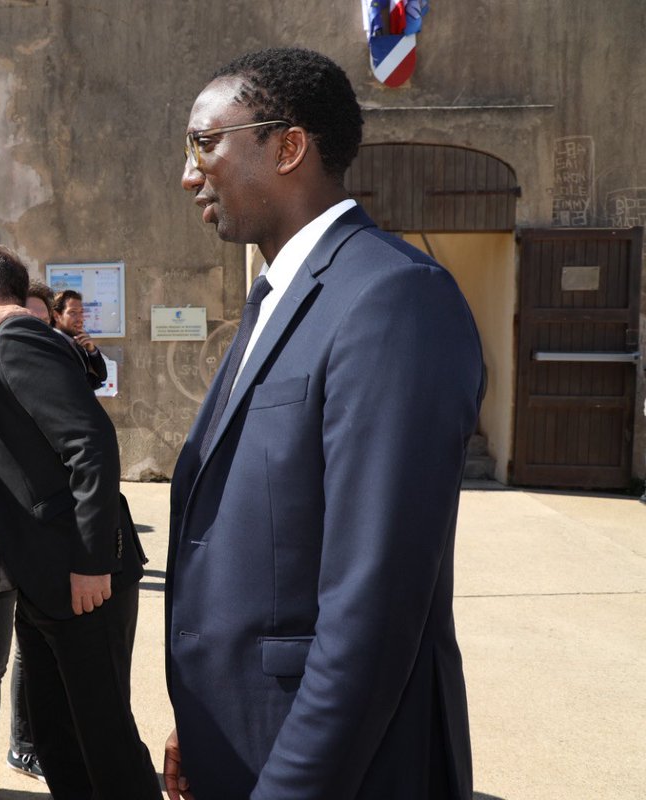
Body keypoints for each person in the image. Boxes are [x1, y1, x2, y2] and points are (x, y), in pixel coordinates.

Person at [163, 48, 485, 800]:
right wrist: (206, 717)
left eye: (204, 143)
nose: (188, 174)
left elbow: (372, 610)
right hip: (247, 737)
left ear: (288, 146)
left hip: (334, 768)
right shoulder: (282, 294)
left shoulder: (393, 300)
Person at [0, 244, 157, 799]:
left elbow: (92, 444)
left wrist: (90, 562)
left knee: (103, 740)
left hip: (82, 582)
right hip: (43, 584)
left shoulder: (18, 338)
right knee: (58, 738)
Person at [51, 289, 107, 390]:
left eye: (81, 312)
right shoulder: (53, 344)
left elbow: (102, 376)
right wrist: (96, 382)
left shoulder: (76, 342)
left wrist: (92, 351)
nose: (80, 318)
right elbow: (79, 384)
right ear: (56, 316)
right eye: (73, 312)